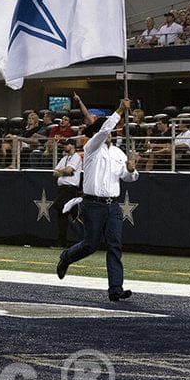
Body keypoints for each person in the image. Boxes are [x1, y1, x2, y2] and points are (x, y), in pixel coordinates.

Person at [56, 98, 139, 301]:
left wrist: (131, 170)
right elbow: (103, 130)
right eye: (105, 130)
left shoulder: (118, 153)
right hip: (93, 204)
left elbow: (128, 177)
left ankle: (115, 289)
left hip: (112, 205)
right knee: (90, 244)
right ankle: (67, 256)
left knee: (115, 245)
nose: (109, 132)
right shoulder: (92, 147)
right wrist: (119, 109)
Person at [50, 141, 82, 247]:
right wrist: (65, 171)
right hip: (62, 189)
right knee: (62, 213)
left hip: (70, 189)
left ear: (72, 145)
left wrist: (63, 171)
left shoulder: (76, 157)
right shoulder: (64, 158)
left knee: (58, 207)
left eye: (66, 144)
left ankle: (63, 241)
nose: (64, 146)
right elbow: (55, 173)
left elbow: (69, 170)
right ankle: (62, 241)